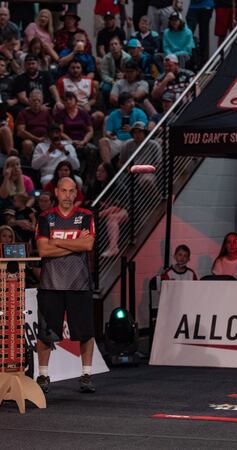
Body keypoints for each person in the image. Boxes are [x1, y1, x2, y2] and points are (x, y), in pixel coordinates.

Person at [35, 177, 97, 394]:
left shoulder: (85, 216)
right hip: (50, 284)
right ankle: (43, 375)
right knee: (46, 334)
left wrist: (57, 242)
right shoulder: (45, 217)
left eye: (72, 191)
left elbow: (88, 244)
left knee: (86, 333)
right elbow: (43, 251)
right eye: (64, 191)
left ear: (76, 193)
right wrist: (75, 245)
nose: (68, 196)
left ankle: (86, 375)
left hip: (79, 284)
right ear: (57, 193)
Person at [99, 92, 148, 164]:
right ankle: (108, 168)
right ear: (121, 105)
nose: (132, 104)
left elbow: (144, 128)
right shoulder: (113, 114)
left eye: (132, 101)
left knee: (128, 145)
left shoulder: (139, 112)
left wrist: (131, 130)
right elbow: (108, 131)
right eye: (128, 102)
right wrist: (110, 135)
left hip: (133, 141)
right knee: (103, 141)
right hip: (118, 140)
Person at [56, 60, 104, 131]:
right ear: (68, 69)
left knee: (99, 115)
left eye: (78, 68)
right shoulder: (62, 81)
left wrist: (88, 104)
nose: (75, 70)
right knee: (56, 108)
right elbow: (59, 98)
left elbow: (94, 99)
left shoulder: (89, 81)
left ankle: (89, 134)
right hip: (69, 107)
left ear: (81, 69)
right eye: (73, 68)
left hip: (84, 106)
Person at [16, 89, 53, 161]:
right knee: (27, 144)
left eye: (39, 100)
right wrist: (36, 139)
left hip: (45, 139)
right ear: (29, 101)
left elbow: (53, 128)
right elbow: (20, 132)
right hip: (30, 140)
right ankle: (27, 164)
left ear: (42, 102)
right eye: (34, 100)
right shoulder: (23, 113)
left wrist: (46, 137)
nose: (36, 103)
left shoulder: (46, 113)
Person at [186, 0, 213, 66]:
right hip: (193, 6)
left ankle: (204, 62)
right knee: (188, 34)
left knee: (203, 35)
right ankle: (190, 59)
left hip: (206, 6)